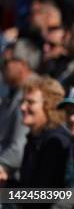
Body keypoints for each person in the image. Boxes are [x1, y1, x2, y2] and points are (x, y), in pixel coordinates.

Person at [19, 76, 71, 188]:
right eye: (22, 101)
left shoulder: (55, 142)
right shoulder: (34, 138)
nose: (22, 107)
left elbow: (43, 196)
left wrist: (6, 195)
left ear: (49, 106)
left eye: (30, 102)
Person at [0, 40, 39, 185]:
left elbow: (18, 149)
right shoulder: (13, 93)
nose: (2, 66)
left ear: (22, 64)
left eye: (6, 61)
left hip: (18, 187)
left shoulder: (30, 95)